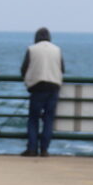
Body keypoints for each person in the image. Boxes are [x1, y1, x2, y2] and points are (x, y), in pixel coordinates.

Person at [19, 27, 64, 156]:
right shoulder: (57, 50)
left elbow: (24, 68)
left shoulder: (32, 49)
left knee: (33, 119)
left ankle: (32, 149)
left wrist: (27, 81)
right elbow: (62, 68)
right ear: (49, 37)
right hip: (54, 86)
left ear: (36, 37)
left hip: (37, 87)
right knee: (48, 119)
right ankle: (44, 150)